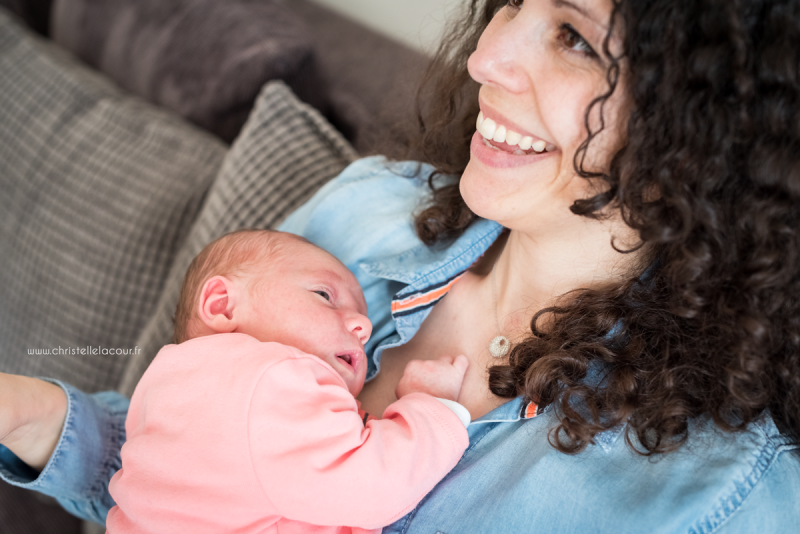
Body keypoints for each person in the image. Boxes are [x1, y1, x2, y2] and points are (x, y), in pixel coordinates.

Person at [1, 0, 799, 532]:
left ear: (706, 129)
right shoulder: (366, 211)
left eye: (575, 39)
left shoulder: (719, 494)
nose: (485, 55)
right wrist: (42, 420)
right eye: (513, 4)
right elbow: (198, 476)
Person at [105, 229, 471, 533]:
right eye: (325, 296)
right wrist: (430, 405)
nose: (363, 326)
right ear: (221, 306)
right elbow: (375, 485)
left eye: (361, 318)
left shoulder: (164, 387)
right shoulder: (272, 380)